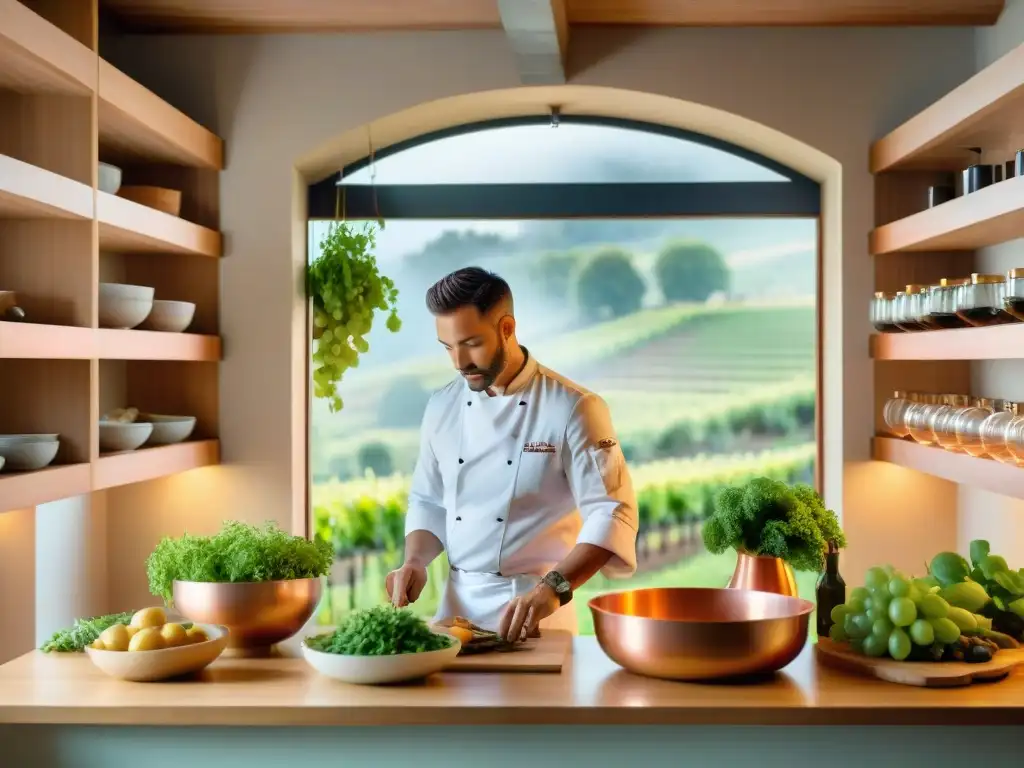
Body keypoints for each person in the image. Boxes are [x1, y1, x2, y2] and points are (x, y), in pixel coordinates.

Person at [386, 266, 639, 641]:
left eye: (471, 343)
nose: (459, 362)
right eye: (448, 347)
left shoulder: (574, 407)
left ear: (507, 328)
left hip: (535, 613)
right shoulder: (441, 407)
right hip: (454, 616)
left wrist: (553, 589)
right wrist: (415, 561)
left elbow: (612, 511)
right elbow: (429, 500)